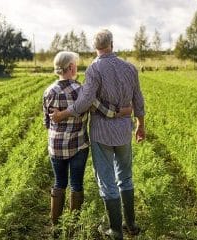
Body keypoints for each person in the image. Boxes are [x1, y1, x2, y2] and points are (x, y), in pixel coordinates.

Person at [50, 29, 145, 240]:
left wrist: (62, 115)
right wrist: (141, 125)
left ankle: (115, 231)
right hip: (123, 132)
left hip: (102, 133)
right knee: (126, 178)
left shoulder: (94, 69)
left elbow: (84, 102)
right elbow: (138, 100)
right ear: (112, 44)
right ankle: (131, 224)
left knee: (107, 181)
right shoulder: (130, 68)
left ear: (96, 47)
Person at [43, 51, 131, 232]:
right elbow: (102, 109)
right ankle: (72, 225)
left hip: (56, 146)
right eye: (75, 64)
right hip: (78, 146)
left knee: (59, 183)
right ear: (71, 68)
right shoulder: (82, 91)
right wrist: (121, 111)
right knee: (76, 184)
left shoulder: (48, 91)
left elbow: (47, 122)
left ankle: (55, 225)